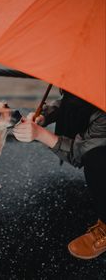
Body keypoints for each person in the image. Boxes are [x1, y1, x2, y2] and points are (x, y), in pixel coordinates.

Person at [13, 90, 106, 260]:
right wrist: (44, 116)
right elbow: (69, 102)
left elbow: (79, 152)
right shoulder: (91, 84)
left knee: (96, 160)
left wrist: (40, 134)